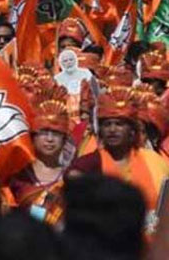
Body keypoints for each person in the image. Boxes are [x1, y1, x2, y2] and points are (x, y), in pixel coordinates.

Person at [68, 87, 169, 233]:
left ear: (132, 130)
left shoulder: (154, 161)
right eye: (107, 124)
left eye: (119, 124)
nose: (112, 129)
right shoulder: (88, 164)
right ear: (100, 130)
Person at [9, 100, 70, 226]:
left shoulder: (71, 176)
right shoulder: (18, 177)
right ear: (32, 137)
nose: (49, 139)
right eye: (43, 133)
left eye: (56, 133)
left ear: (64, 139)